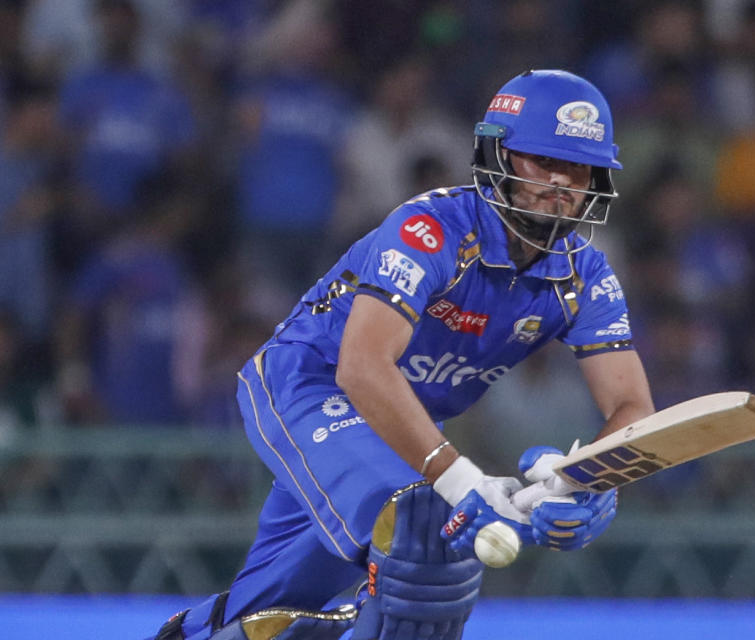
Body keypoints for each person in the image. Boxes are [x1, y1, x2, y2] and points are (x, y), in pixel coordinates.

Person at [149, 69, 655, 640]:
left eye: (578, 169)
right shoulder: (430, 229)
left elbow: (631, 404)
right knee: (427, 530)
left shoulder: (584, 273)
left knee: (264, 606)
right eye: (543, 162)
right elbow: (361, 366)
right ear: (500, 157)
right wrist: (460, 479)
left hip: (399, 423)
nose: (561, 185)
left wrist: (588, 480)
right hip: (310, 389)